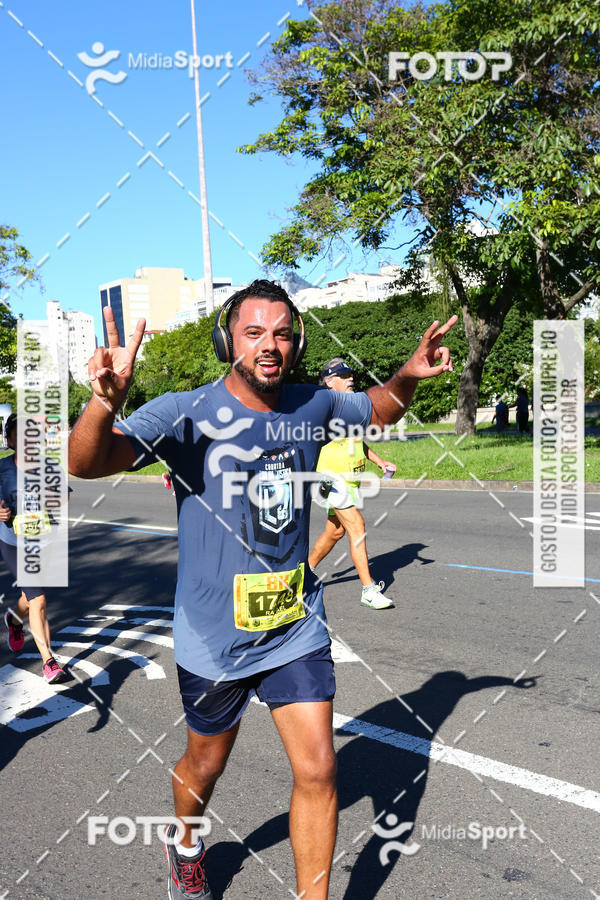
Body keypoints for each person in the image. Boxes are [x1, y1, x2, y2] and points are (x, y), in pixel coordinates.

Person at [68, 279, 456, 900]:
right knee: (205, 766)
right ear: (228, 342)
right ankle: (186, 845)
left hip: (294, 623)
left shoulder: (314, 404)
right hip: (214, 637)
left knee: (320, 768)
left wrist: (407, 375)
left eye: (281, 334)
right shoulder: (185, 411)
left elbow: (379, 410)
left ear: (296, 343)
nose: (269, 345)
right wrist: (101, 404)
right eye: (253, 333)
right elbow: (85, 463)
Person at [308, 359, 397, 609]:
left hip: (349, 481)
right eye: (344, 375)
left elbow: (357, 441)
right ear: (329, 382)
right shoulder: (323, 409)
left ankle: (304, 570)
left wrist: (379, 462)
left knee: (335, 531)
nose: (351, 379)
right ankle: (368, 590)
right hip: (329, 480)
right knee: (357, 526)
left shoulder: (350, 409)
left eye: (350, 374)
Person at [0, 414, 66, 684]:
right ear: (10, 440)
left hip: (43, 541)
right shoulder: (2, 469)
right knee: (38, 600)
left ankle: (14, 620)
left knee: (29, 598)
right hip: (13, 543)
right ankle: (49, 662)